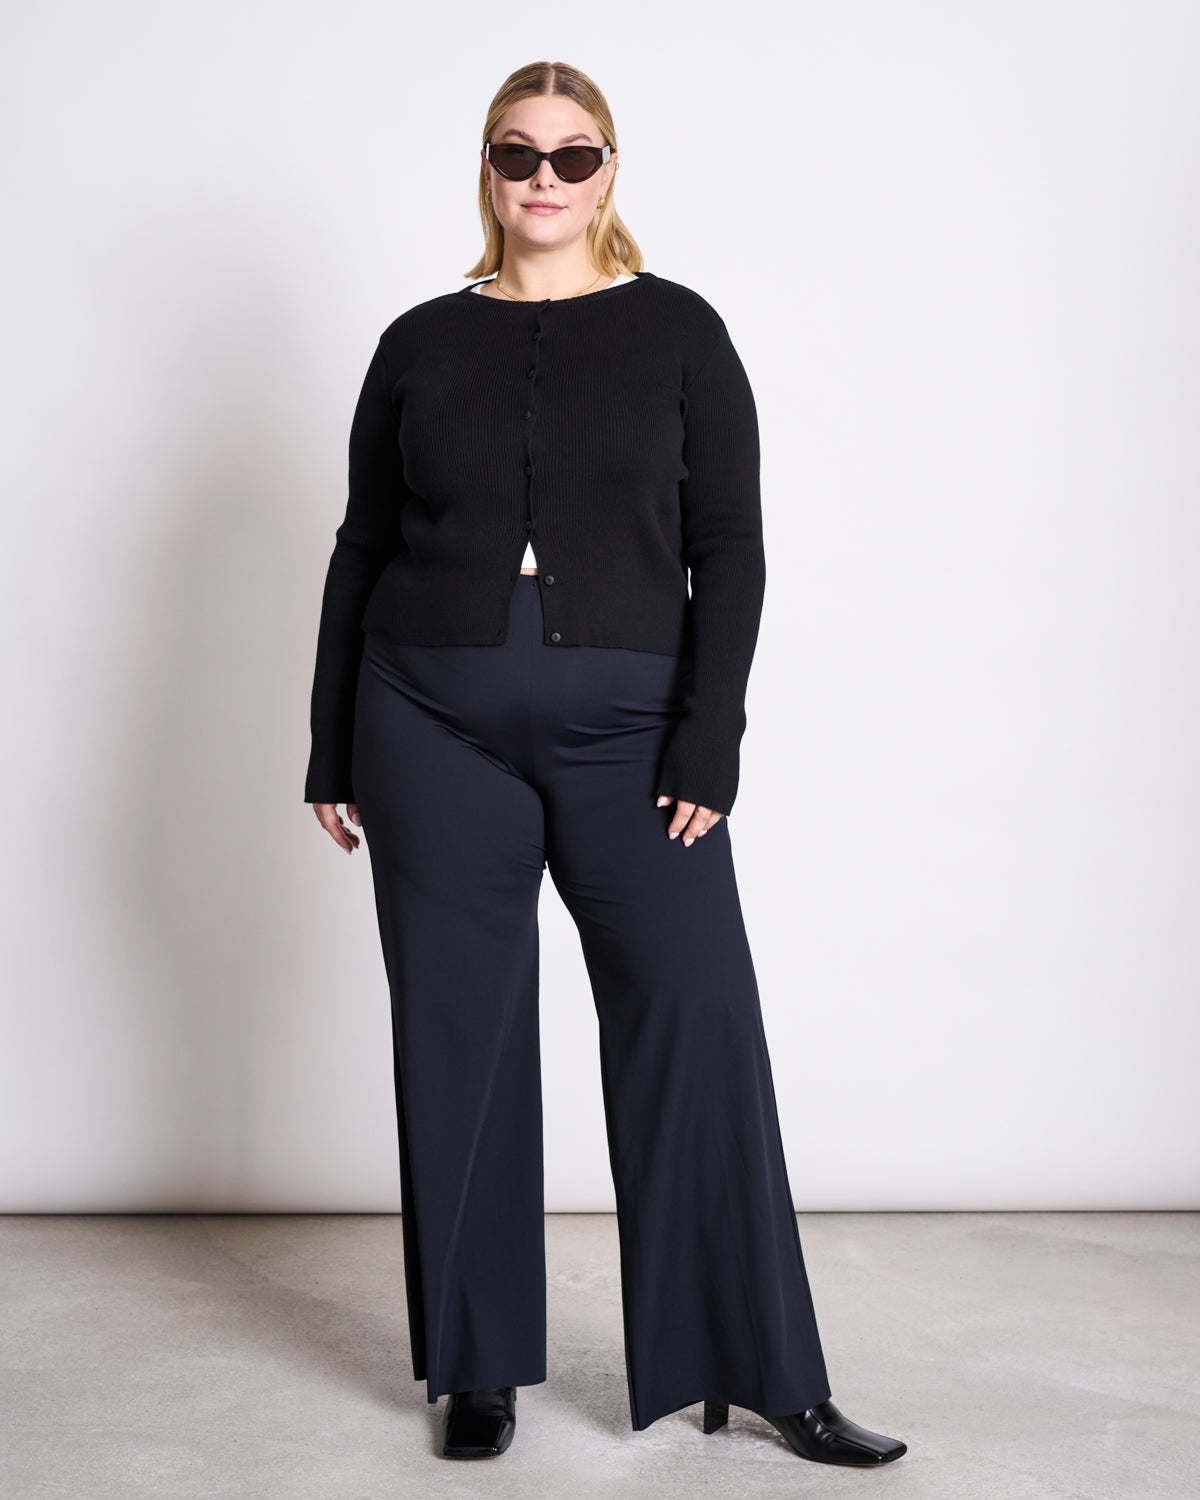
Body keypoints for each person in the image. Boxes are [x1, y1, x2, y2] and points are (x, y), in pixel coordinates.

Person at [304, 59, 907, 1470]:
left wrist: (711, 735)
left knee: (695, 1019)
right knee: (458, 1034)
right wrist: (331, 741)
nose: (545, 180)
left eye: (574, 157)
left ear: (610, 171)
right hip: (426, 717)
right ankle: (475, 1367)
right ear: (488, 169)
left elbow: (730, 545)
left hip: (634, 729)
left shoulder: (679, 331)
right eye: (519, 154)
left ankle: (757, 1365)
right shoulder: (418, 342)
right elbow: (362, 543)